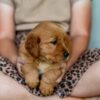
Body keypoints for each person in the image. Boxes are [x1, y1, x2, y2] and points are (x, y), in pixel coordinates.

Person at [0, 0, 100, 100]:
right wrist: (16, 59)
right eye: (53, 43)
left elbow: (80, 33)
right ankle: (59, 97)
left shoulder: (63, 48)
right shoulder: (31, 46)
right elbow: (4, 37)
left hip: (68, 45)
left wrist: (67, 64)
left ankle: (26, 95)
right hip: (24, 45)